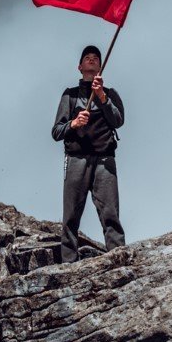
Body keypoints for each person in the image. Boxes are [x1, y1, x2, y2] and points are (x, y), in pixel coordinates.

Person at [51, 44, 126, 262]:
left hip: (104, 159)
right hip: (76, 159)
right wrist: (73, 124)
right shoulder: (70, 95)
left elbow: (118, 121)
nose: (92, 59)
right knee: (71, 215)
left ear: (100, 67)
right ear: (80, 67)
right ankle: (68, 264)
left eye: (96, 58)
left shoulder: (109, 94)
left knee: (110, 213)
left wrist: (102, 97)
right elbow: (56, 131)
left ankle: (118, 258)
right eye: (87, 57)